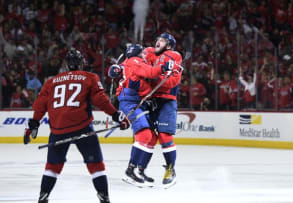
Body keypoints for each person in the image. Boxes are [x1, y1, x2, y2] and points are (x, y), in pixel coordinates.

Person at [23, 48, 130, 203]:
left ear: (67, 65)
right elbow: (100, 100)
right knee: (96, 164)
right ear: (81, 63)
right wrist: (116, 115)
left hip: (58, 129)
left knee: (52, 166)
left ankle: (43, 195)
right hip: (82, 128)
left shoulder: (51, 81)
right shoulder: (90, 77)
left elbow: (40, 105)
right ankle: (104, 196)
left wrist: (33, 125)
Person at [108, 44, 174, 187]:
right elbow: (150, 72)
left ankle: (139, 170)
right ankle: (130, 170)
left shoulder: (129, 62)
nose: (145, 55)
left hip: (137, 101)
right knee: (144, 135)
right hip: (130, 102)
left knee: (152, 136)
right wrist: (164, 68)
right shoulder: (134, 61)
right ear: (137, 54)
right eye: (142, 53)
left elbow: (118, 73)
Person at [142, 33, 183, 189]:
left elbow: (171, 81)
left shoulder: (173, 55)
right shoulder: (151, 53)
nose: (159, 42)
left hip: (167, 100)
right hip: (152, 100)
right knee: (150, 136)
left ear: (169, 45)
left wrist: (151, 77)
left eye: (163, 41)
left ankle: (170, 170)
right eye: (158, 39)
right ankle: (140, 169)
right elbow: (137, 62)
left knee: (164, 135)